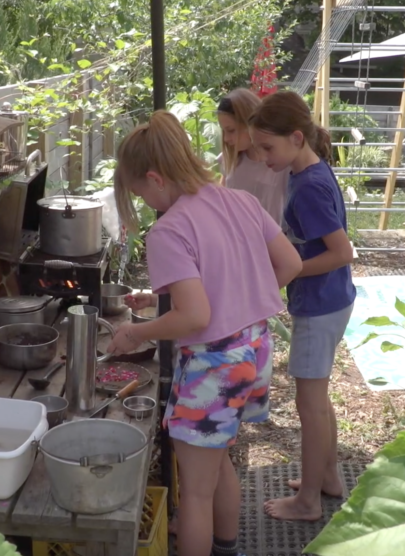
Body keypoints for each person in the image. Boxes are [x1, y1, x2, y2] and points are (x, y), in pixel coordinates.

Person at [107, 110, 302, 556]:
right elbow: (288, 264)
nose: (145, 204)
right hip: (254, 348)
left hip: (213, 366)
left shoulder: (168, 230)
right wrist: (236, 299)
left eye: (141, 195)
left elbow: (194, 317)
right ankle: (227, 548)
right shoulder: (239, 200)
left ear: (155, 179)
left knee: (194, 493)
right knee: (220, 463)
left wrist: (136, 333)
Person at [248, 90, 357, 522]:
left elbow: (342, 252)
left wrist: (288, 271)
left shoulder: (309, 184)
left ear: (296, 138)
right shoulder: (304, 171)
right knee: (319, 401)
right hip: (328, 300)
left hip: (320, 305)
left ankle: (309, 501)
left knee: (309, 405)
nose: (262, 157)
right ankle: (327, 477)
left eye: (267, 147)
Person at [217, 88, 290, 224]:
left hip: (273, 243)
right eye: (223, 131)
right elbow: (221, 201)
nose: (226, 138)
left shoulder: (281, 162)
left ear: (249, 123)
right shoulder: (229, 160)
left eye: (231, 130)